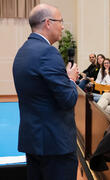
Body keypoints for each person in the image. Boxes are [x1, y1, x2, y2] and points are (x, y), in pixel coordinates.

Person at [12, 4, 79, 180]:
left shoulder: (23, 50)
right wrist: (70, 79)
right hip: (55, 145)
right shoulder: (48, 53)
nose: (62, 26)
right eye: (60, 21)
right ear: (48, 23)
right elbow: (68, 100)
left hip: (34, 140)